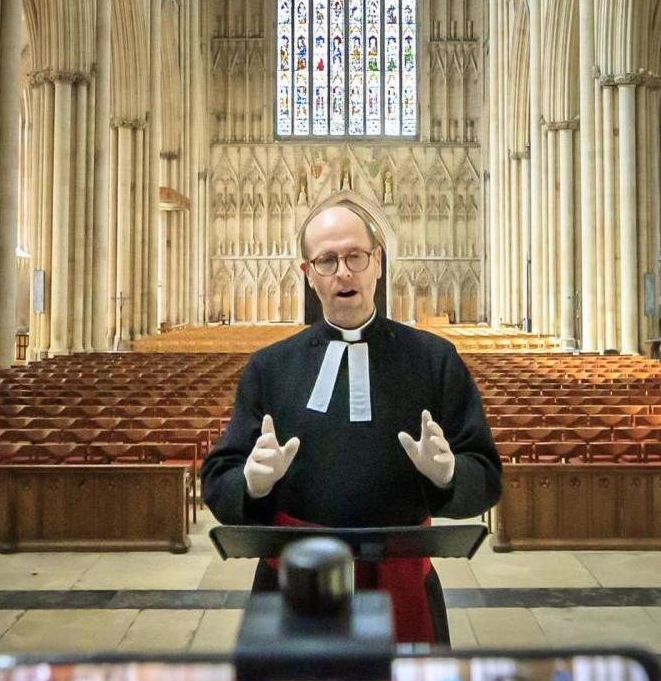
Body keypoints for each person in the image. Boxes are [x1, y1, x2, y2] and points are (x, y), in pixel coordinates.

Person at [200, 199, 502, 643]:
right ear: (308, 275)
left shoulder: (434, 361)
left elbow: (487, 475)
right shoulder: (271, 367)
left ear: (377, 263)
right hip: (296, 583)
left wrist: (449, 474)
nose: (343, 271)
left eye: (355, 256)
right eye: (326, 260)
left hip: (402, 582)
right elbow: (219, 480)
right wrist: (252, 483)